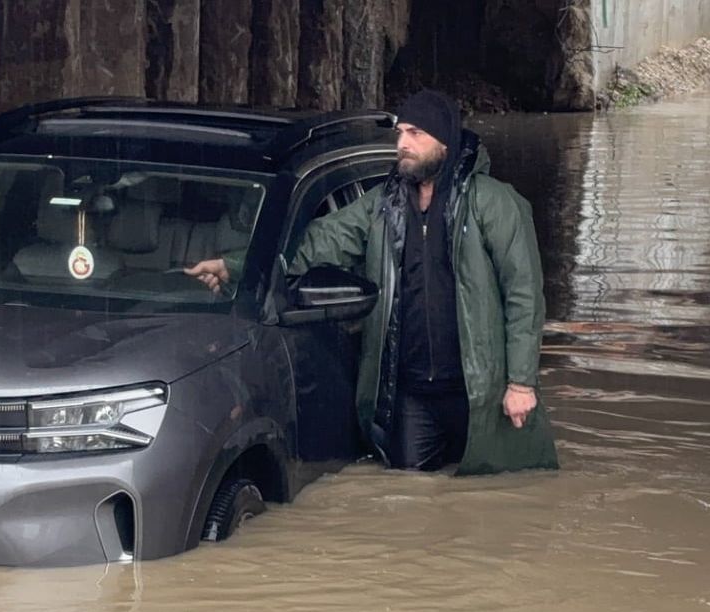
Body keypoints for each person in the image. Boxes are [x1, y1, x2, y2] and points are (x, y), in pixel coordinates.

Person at [185, 90, 558, 476]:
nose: (402, 145)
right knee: (408, 494)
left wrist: (521, 383)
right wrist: (237, 267)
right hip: (411, 393)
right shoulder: (383, 204)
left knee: (494, 495)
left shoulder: (496, 204)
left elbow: (524, 296)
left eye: (415, 133)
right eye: (400, 134)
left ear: (444, 139)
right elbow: (319, 243)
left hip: (480, 388)